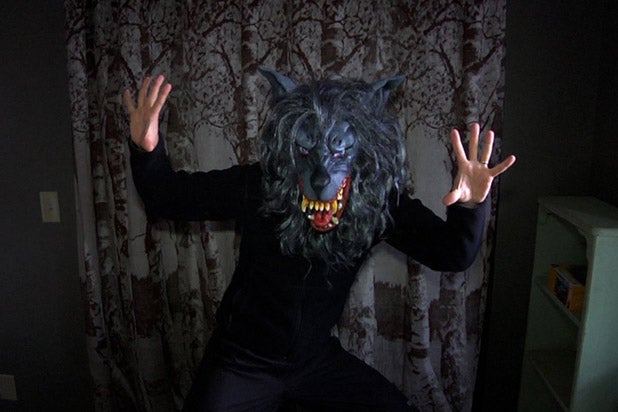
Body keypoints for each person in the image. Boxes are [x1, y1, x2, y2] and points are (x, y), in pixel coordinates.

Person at [123, 70, 515, 412]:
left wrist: (472, 206)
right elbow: (168, 197)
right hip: (242, 361)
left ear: (362, 148)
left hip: (315, 361)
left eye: (339, 150)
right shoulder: (261, 185)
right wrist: (147, 149)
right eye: (307, 149)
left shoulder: (376, 202)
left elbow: (452, 252)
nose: (322, 170)